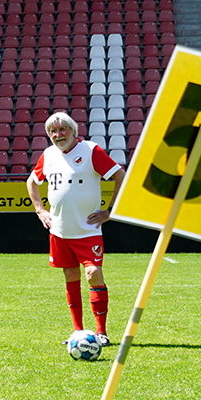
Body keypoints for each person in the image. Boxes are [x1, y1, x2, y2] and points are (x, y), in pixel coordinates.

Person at [26, 111, 127, 346]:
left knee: (94, 274)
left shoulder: (91, 151)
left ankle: (101, 332)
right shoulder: (49, 154)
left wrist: (110, 211)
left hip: (88, 230)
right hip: (59, 231)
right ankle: (78, 331)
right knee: (70, 276)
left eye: (62, 130)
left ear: (73, 130)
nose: (58, 135)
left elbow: (120, 176)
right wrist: (40, 210)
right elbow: (32, 181)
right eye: (53, 131)